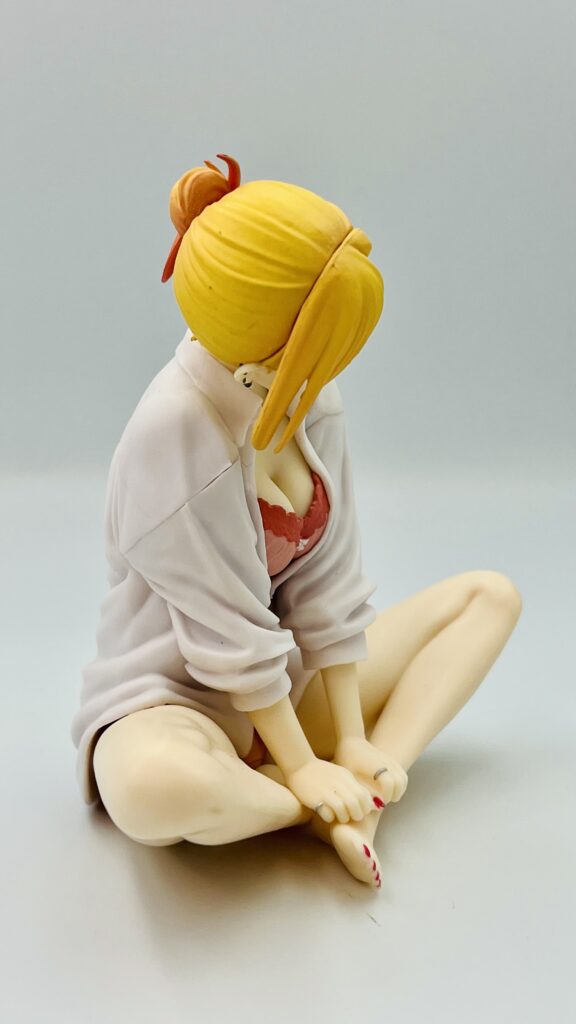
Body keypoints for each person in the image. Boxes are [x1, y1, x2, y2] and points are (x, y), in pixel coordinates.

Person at [71, 154, 522, 889]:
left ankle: (364, 789)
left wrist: (349, 738)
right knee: (158, 790)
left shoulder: (307, 393)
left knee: (488, 599)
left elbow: (330, 587)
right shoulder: (174, 431)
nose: (330, 365)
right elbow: (226, 634)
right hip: (173, 708)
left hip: (285, 686)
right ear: (263, 330)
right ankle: (307, 805)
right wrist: (304, 768)